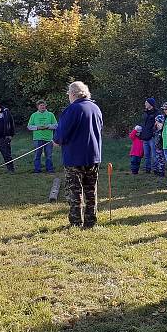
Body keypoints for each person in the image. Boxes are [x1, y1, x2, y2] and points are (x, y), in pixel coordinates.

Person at [53, 81, 103, 228]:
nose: (68, 96)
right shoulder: (96, 108)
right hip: (93, 156)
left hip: (74, 158)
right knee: (91, 190)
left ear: (73, 94)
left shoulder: (72, 109)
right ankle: (90, 222)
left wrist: (56, 140)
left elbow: (60, 136)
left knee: (74, 191)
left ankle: (76, 222)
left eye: (68, 94)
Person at [27, 99, 57, 173]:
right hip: (37, 138)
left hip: (48, 139)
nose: (42, 107)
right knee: (37, 155)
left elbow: (56, 125)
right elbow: (29, 126)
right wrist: (37, 127)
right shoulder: (34, 115)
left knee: (49, 155)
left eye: (44, 105)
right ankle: (37, 170)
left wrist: (48, 126)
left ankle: (49, 169)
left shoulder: (50, 115)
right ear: (38, 107)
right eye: (41, 105)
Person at [139, 98, 158, 174]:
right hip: (145, 137)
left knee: (154, 155)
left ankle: (156, 169)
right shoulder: (145, 113)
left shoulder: (157, 113)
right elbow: (143, 124)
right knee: (146, 155)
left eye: (146, 102)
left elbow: (158, 124)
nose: (145, 104)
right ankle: (147, 169)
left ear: (151, 104)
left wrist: (153, 132)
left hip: (152, 137)